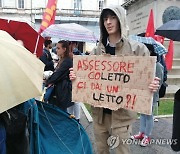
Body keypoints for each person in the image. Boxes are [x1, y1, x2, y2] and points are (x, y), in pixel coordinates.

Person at [69, 5, 160, 154]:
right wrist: (76, 78)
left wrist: (151, 85)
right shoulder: (97, 52)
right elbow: (86, 80)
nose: (108, 22)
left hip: (122, 118)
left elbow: (145, 81)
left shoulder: (137, 50)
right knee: (101, 151)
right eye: (105, 19)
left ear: (120, 20)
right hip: (100, 117)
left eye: (112, 18)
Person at [131, 48, 164, 147]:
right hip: (143, 94)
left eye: (146, 51)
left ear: (151, 52)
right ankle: (141, 132)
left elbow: (159, 83)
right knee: (142, 114)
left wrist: (151, 90)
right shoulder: (144, 65)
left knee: (149, 116)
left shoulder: (158, 66)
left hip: (151, 96)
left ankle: (147, 136)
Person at [46, 40, 74, 111]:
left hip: (62, 91)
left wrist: (47, 81)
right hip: (59, 90)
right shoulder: (62, 60)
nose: (56, 50)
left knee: (60, 113)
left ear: (64, 49)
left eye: (58, 48)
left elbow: (57, 74)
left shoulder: (67, 61)